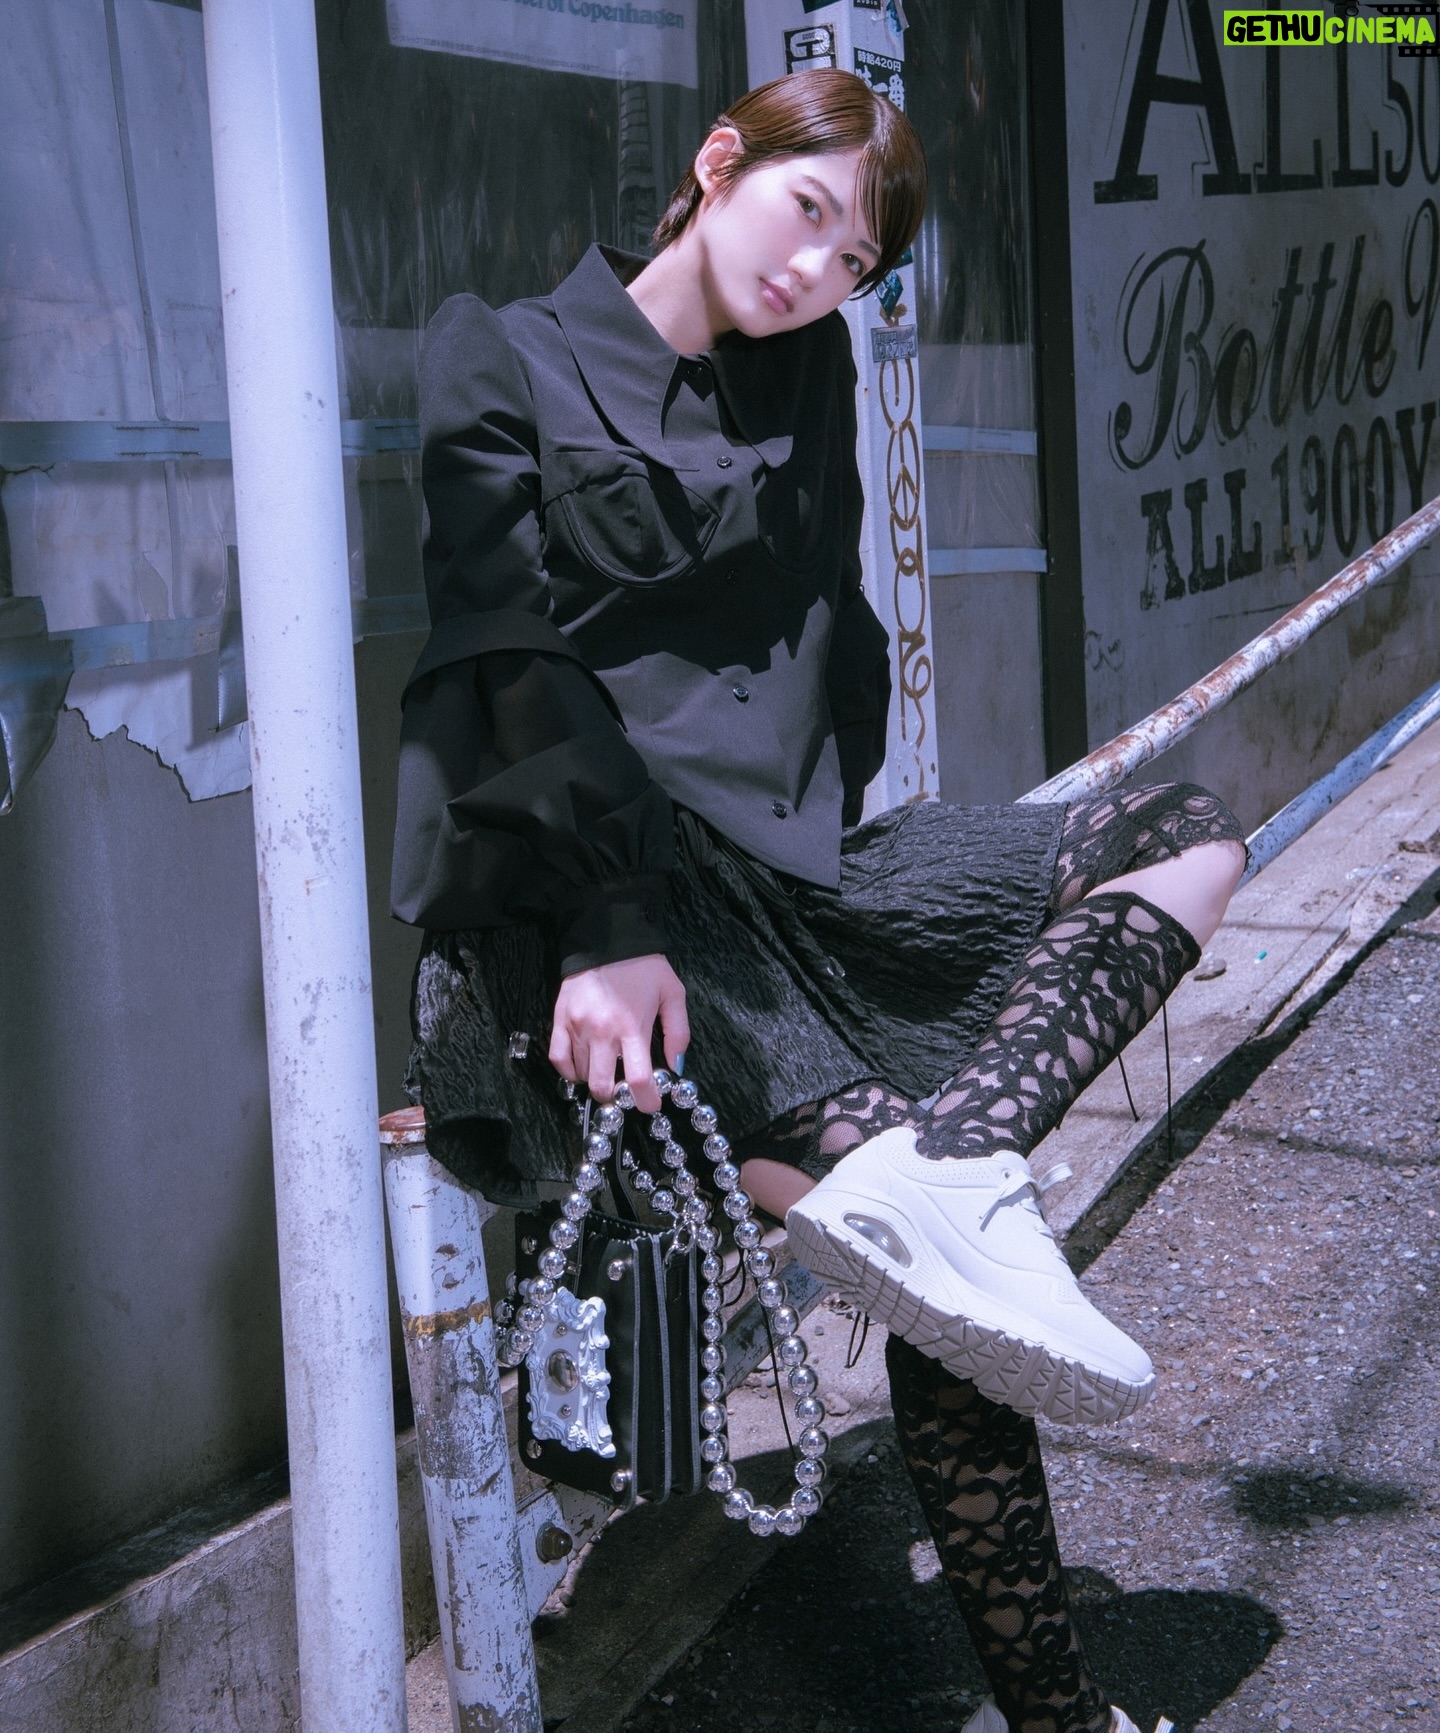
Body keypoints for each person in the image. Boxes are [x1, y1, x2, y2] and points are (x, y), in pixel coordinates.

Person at [391, 68, 1243, 1733]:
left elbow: (833, 632)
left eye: (853, 261)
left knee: (1186, 831)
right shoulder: (499, 352)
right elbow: (503, 649)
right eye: (804, 215)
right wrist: (608, 919)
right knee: (954, 1307)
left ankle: (954, 1170)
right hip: (596, 910)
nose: (812, 273)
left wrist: (840, 839)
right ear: (720, 163)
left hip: (796, 881)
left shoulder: (810, 374)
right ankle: (1062, 1715)